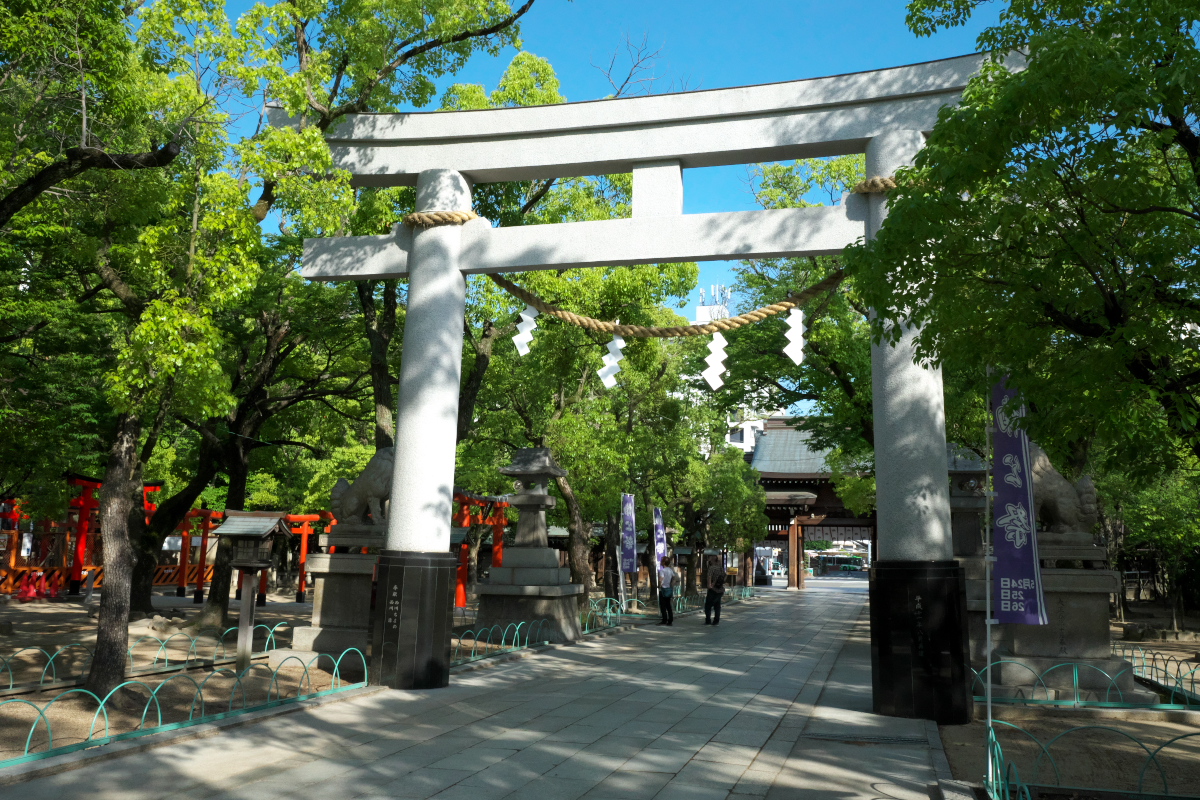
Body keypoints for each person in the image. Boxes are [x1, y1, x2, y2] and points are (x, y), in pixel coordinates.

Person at [704, 555, 726, 625]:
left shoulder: (711, 568)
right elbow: (725, 576)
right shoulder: (720, 568)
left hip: (713, 589)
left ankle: (708, 620)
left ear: (711, 560)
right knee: (717, 606)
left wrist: (709, 585)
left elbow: (709, 576)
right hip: (720, 589)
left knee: (708, 606)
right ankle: (716, 620)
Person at [657, 555, 677, 625]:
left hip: (663, 589)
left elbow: (661, 579)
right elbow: (674, 578)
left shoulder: (663, 571)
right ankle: (670, 620)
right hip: (669, 588)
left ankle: (664, 619)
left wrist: (659, 585)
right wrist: (671, 584)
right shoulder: (670, 570)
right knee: (668, 605)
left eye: (661, 561)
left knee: (663, 605)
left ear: (663, 563)